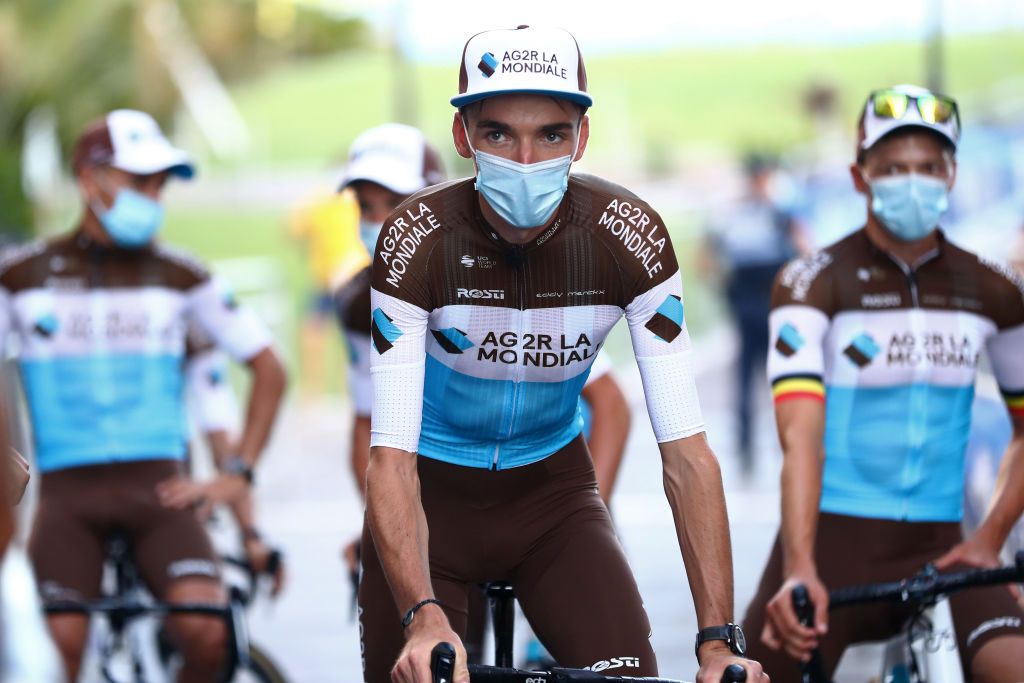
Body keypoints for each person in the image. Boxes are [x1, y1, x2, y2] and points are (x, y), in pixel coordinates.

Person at [359, 25, 765, 683]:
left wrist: (719, 639)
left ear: (581, 137)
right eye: (498, 134)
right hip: (432, 499)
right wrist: (421, 612)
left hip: (554, 503)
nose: (525, 159)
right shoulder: (416, 240)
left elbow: (688, 456)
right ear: (463, 137)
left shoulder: (630, 238)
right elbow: (391, 457)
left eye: (550, 133)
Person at [742, 84, 1024, 681]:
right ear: (859, 174)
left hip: (946, 551)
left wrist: (991, 536)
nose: (911, 181)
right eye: (892, 167)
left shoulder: (994, 290)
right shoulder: (812, 282)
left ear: (951, 174)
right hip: (829, 552)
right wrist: (799, 564)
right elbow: (801, 440)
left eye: (927, 166)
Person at [0, 109, 287, 682]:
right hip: (64, 497)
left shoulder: (182, 274)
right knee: (55, 648)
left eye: (160, 185)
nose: (153, 197)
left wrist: (239, 474)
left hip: (160, 491)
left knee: (210, 634)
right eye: (140, 183)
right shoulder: (21, 276)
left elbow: (269, 368)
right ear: (90, 180)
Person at [701, 153, 805, 475]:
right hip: (752, 305)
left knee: (780, 377)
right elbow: (705, 258)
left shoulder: (777, 214)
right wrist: (726, 291)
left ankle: (784, 443)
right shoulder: (739, 214)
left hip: (770, 305)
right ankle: (750, 447)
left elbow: (804, 248)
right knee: (753, 379)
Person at [289, 183, 364, 398]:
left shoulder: (323, 202)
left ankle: (337, 390)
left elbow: (294, 231)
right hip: (331, 280)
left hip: (344, 280)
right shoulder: (327, 204)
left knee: (346, 337)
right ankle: (317, 390)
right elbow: (295, 230)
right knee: (317, 334)